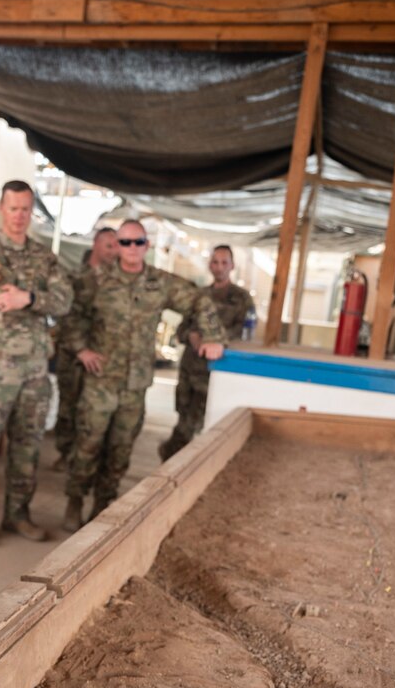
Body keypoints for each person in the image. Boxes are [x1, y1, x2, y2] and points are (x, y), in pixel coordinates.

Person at [63, 220, 226, 530]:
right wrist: (81, 349)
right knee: (87, 445)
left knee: (121, 451)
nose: (132, 248)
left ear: (147, 245)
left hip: (135, 385)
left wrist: (212, 335)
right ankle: (74, 500)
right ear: (118, 245)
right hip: (100, 381)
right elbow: (71, 313)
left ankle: (101, 505)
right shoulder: (95, 279)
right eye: (125, 243)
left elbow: (197, 299)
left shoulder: (158, 283)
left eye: (138, 242)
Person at [0, 180, 72, 547]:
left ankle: (17, 514)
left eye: (25, 209)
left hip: (36, 369)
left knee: (28, 446)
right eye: (13, 208)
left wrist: (31, 296)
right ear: (2, 209)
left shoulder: (44, 256)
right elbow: (3, 294)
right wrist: (34, 298)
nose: (19, 216)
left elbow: (65, 299)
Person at [159, 245, 255, 460]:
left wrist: (216, 340)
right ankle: (171, 458)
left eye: (224, 262)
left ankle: (179, 460)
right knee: (184, 420)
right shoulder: (198, 295)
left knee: (205, 426)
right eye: (215, 262)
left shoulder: (241, 299)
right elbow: (181, 329)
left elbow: (245, 333)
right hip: (191, 369)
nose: (219, 267)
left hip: (217, 372)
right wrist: (193, 336)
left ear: (232, 266)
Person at [52, 227, 119, 470]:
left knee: (94, 410)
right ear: (96, 244)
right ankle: (65, 451)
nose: (115, 251)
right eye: (109, 245)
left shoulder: (117, 280)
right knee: (69, 405)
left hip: (102, 354)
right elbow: (65, 317)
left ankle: (87, 456)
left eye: (117, 245)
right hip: (72, 354)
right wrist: (79, 349)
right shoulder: (75, 277)